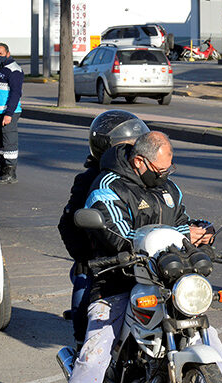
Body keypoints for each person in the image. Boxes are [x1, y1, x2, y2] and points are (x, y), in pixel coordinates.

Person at [54, 132, 222, 383]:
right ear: (140, 161)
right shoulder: (108, 187)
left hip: (168, 282)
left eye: (167, 170)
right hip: (116, 280)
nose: (165, 176)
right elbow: (116, 233)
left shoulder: (169, 190)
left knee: (212, 340)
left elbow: (182, 222)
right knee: (96, 348)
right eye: (160, 170)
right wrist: (167, 237)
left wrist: (198, 235)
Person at [57, 110, 150, 347]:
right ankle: (81, 343)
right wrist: (85, 258)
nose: (132, 152)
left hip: (140, 254)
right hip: (102, 258)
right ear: (104, 147)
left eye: (136, 145)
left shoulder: (146, 176)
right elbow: (69, 223)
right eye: (125, 146)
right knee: (84, 285)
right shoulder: (90, 180)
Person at [0, 42, 23, 184]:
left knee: (9, 142)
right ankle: (2, 171)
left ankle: (10, 174)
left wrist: (9, 113)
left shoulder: (14, 69)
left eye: (1, 54)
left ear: (8, 53)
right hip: (0, 112)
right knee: (1, 143)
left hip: (9, 112)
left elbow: (15, 94)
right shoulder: (2, 69)